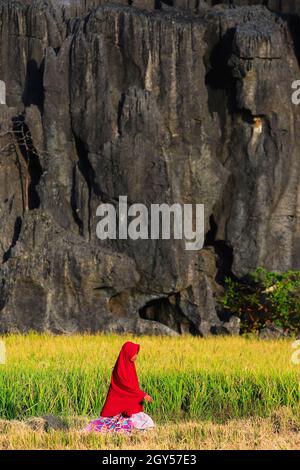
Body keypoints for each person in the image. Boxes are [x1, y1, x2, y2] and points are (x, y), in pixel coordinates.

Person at [84, 341, 155, 433]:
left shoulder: (130, 365)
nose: (136, 356)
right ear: (127, 353)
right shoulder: (120, 369)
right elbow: (126, 386)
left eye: (136, 354)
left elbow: (133, 385)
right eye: (134, 354)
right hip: (119, 399)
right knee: (116, 421)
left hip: (129, 399)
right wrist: (142, 395)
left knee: (146, 422)